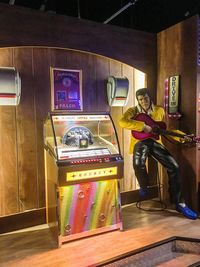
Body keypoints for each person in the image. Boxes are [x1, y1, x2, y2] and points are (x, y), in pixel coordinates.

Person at [119, 88, 198, 220]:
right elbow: (122, 122)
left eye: (145, 98)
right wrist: (142, 126)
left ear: (150, 98)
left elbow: (165, 129)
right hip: (139, 142)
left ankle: (179, 203)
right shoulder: (132, 111)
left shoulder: (159, 110)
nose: (143, 101)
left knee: (174, 166)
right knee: (138, 163)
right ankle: (143, 186)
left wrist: (183, 137)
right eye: (140, 99)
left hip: (155, 142)